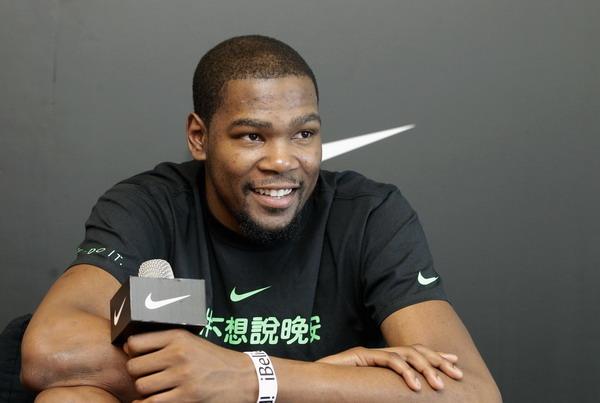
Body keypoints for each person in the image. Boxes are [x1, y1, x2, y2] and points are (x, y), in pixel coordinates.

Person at [21, 35, 501, 402]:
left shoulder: (368, 214)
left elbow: (473, 391)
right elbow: (51, 351)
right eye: (252, 136)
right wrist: (324, 376)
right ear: (199, 137)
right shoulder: (153, 207)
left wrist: (253, 379)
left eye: (304, 133)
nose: (282, 160)